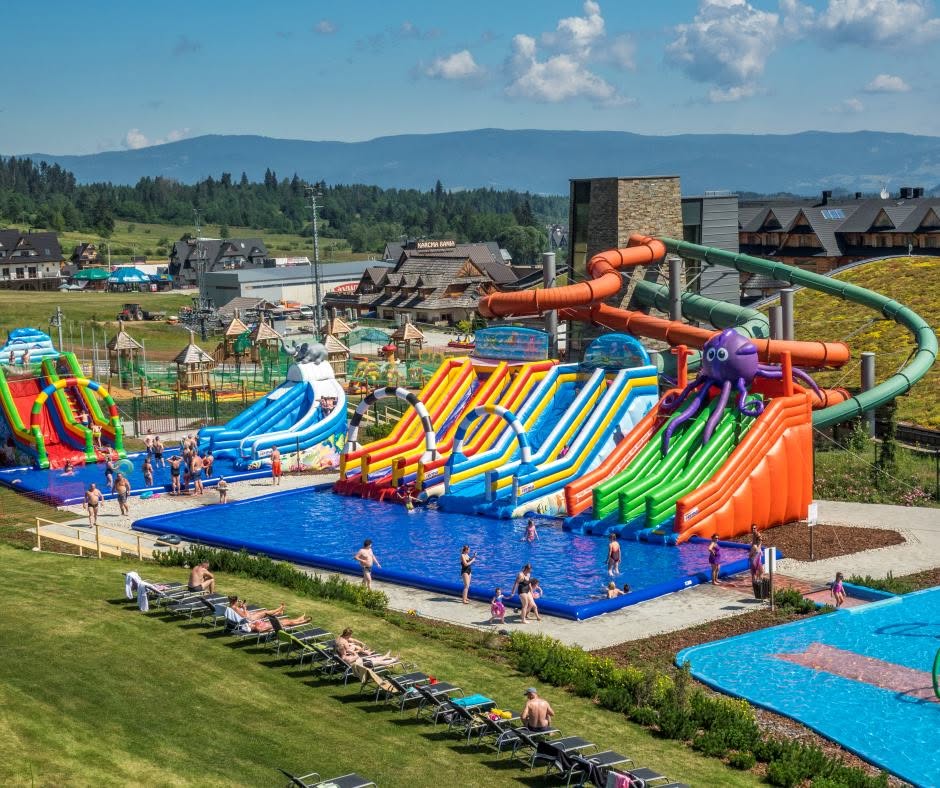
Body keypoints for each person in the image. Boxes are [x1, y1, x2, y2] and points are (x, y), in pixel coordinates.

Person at [227, 597, 310, 633]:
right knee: (288, 622)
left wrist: (242, 607)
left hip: (267, 623)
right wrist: (244, 608)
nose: (250, 625)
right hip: (273, 625)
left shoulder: (254, 625)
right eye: (237, 601)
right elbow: (245, 616)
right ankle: (302, 621)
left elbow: (250, 620)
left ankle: (299, 619)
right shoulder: (258, 628)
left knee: (287, 620)